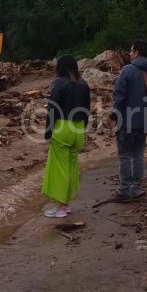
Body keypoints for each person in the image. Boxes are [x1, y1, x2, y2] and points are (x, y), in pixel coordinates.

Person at [111, 40, 147, 202]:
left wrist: (114, 116)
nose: (129, 54)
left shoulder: (127, 71)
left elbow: (119, 97)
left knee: (125, 155)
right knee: (138, 154)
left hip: (126, 120)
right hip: (144, 121)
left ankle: (125, 190)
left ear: (137, 53)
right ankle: (136, 188)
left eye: (131, 51)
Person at [41, 55, 91, 218]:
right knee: (71, 166)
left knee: (60, 168)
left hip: (63, 128)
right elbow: (87, 110)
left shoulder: (59, 84)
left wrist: (48, 132)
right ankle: (66, 203)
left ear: (60, 67)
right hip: (78, 129)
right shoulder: (83, 83)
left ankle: (61, 207)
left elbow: (53, 109)